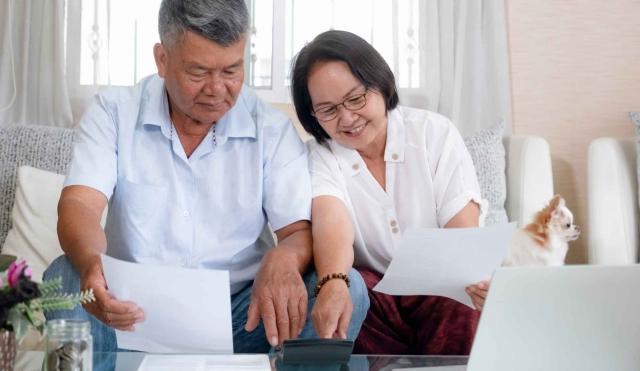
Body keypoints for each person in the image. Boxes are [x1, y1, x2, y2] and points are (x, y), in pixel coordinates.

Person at [44, 1, 368, 353]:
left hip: (245, 318)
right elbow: (79, 204)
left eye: (231, 71)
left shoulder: (270, 129)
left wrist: (284, 258)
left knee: (346, 284)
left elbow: (296, 232)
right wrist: (93, 263)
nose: (216, 89)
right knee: (65, 275)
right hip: (129, 313)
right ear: (162, 59)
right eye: (198, 72)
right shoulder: (114, 112)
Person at [290, 30, 489, 355]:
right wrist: (333, 282)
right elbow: (331, 221)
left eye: (355, 99)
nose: (347, 118)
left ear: (381, 84)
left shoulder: (433, 134)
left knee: (463, 301)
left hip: (439, 292)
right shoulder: (320, 156)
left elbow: (462, 236)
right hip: (376, 300)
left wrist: (474, 282)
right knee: (349, 290)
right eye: (327, 110)